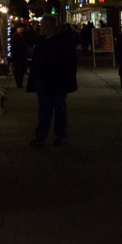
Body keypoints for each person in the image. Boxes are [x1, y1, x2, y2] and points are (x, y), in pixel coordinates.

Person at [27, 15, 78, 146]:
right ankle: (42, 136)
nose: (41, 28)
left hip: (57, 82)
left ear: (48, 26)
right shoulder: (43, 41)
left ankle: (59, 135)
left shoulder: (60, 41)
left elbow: (70, 62)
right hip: (44, 82)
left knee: (58, 108)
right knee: (44, 109)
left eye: (43, 25)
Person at [9, 24, 28, 88]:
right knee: (18, 69)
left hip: (23, 54)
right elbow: (13, 46)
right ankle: (19, 82)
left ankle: (20, 81)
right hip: (17, 55)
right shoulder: (14, 36)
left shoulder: (24, 35)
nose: (20, 29)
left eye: (21, 28)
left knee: (23, 68)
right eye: (19, 28)